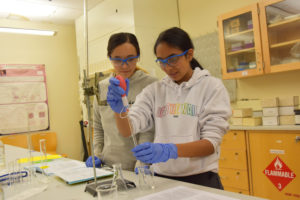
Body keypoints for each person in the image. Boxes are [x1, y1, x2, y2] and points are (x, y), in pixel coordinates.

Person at [106, 27, 231, 189]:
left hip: (201, 180)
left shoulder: (211, 87)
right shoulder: (155, 91)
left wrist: (170, 150)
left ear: (189, 54)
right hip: (162, 179)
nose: (167, 67)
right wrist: (119, 110)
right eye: (162, 61)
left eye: (172, 59)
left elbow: (210, 144)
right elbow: (128, 130)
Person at [85, 32, 157, 171]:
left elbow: (149, 129)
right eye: (117, 59)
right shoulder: (103, 87)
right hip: (108, 166)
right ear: (109, 58)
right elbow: (99, 126)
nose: (124, 66)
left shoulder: (150, 84)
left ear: (138, 56)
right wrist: (98, 154)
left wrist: (142, 162)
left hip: (138, 166)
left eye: (130, 59)